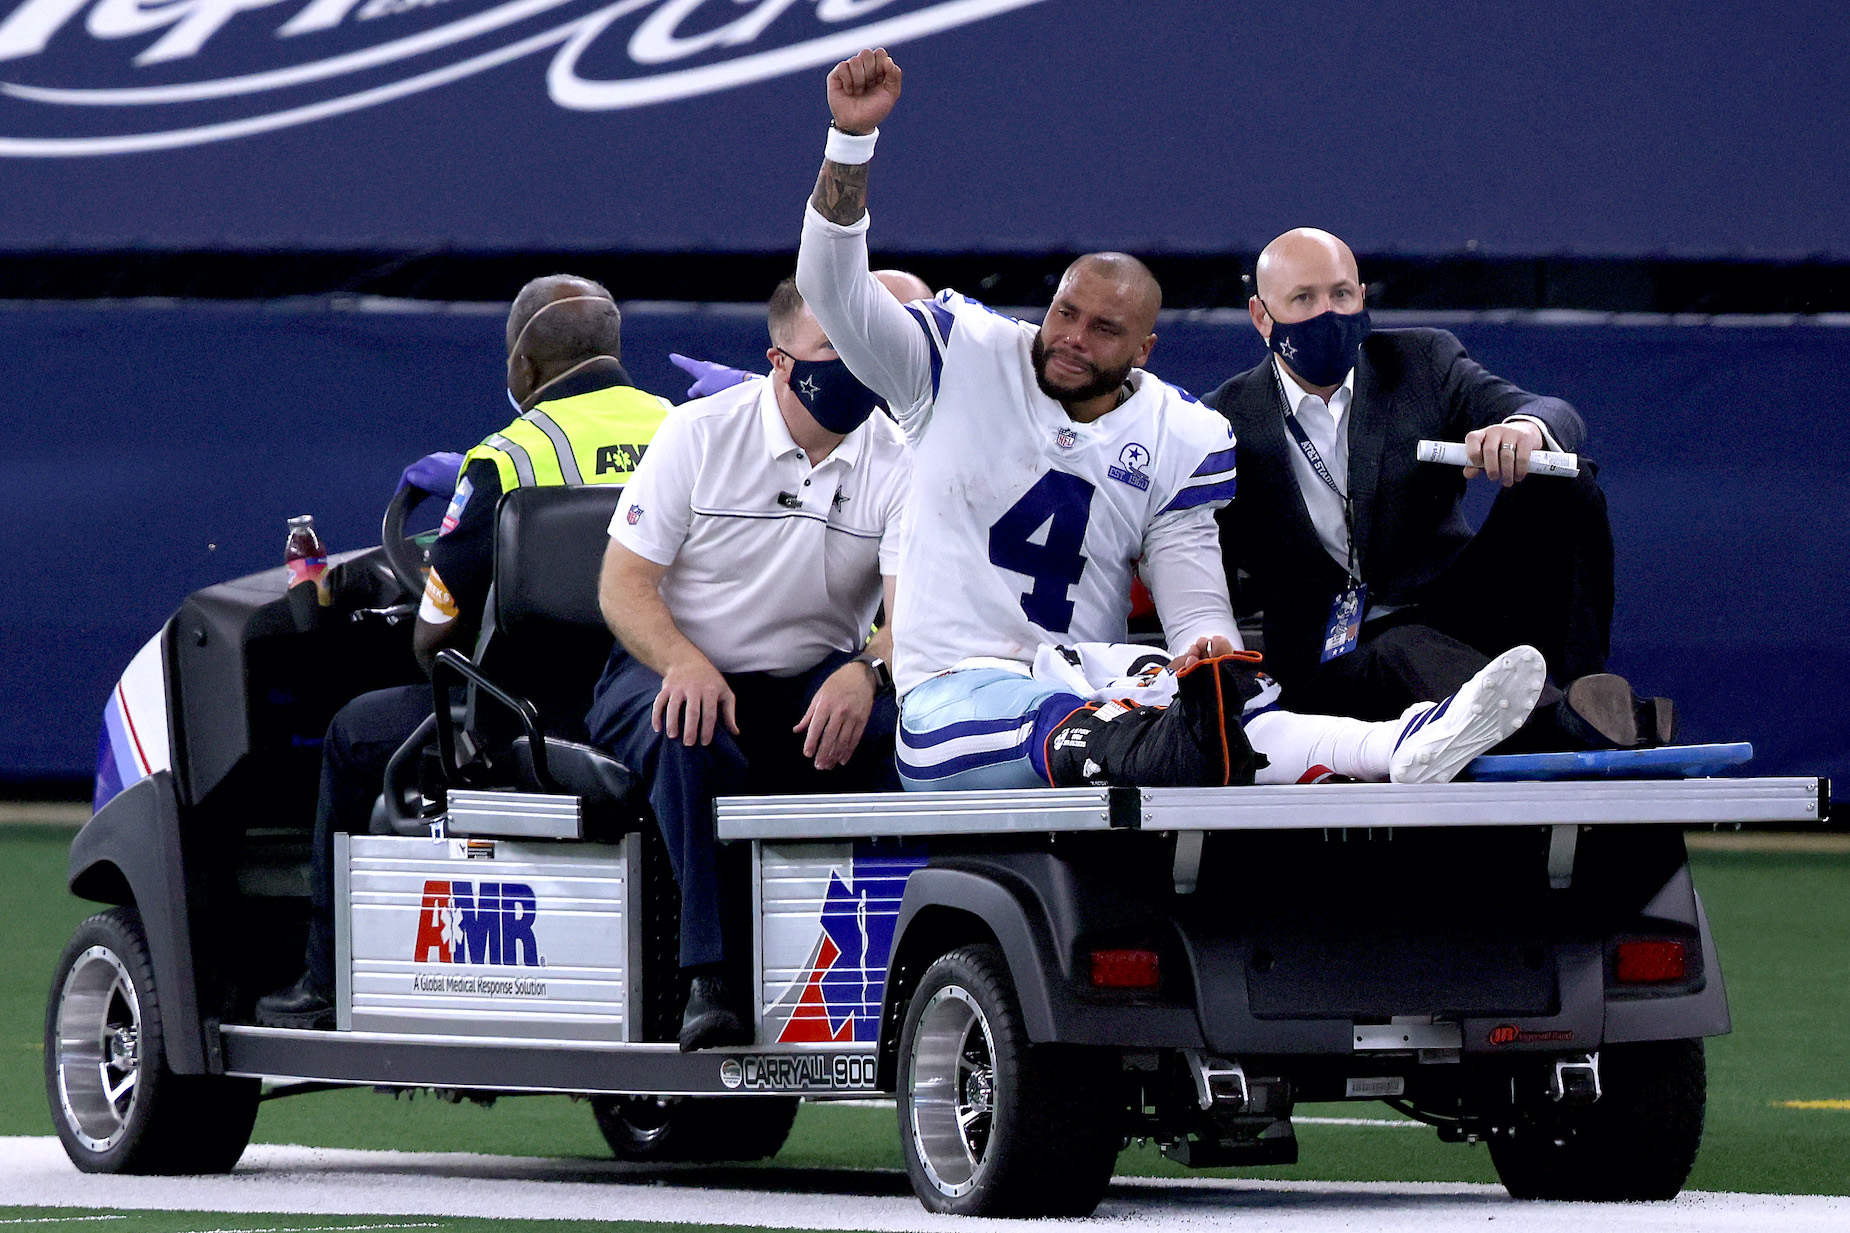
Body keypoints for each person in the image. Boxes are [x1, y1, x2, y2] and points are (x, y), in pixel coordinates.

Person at [795, 49, 1547, 800]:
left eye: (1103, 330)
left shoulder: (1178, 434)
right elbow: (829, 285)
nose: (1072, 338)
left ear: (1144, 349)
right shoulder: (956, 357)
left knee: (1225, 701)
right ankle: (1171, 749)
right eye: (1065, 313)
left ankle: (1403, 742)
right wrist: (850, 142)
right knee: (1088, 723)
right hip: (952, 702)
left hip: (1089, 679)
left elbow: (1196, 612)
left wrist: (1209, 666)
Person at [255, 275, 670, 1029]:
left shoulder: (509, 458)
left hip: (531, 717)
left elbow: (434, 637)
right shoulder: (685, 429)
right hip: (654, 699)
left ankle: (325, 982)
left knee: (355, 736)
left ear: (524, 366)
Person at [586, 276, 912, 1051]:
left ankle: (893, 971)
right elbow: (622, 585)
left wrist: (867, 670)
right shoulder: (699, 433)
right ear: (780, 361)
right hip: (668, 661)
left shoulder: (900, 458)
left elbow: (913, 618)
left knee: (909, 733)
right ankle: (713, 982)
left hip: (811, 675)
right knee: (688, 729)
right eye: (833, 351)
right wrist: (684, 662)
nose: (854, 368)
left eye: (865, 347)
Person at [1204, 229, 1672, 748]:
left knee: (1563, 478)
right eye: (1303, 299)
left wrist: (1523, 430)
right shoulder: (1224, 419)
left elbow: (1551, 412)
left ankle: (1584, 686)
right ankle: (1573, 722)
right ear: (1261, 315)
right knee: (1405, 648)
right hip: (1332, 658)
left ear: (1362, 296)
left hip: (1458, 609)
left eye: (1341, 294)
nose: (1328, 314)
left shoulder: (1420, 360)